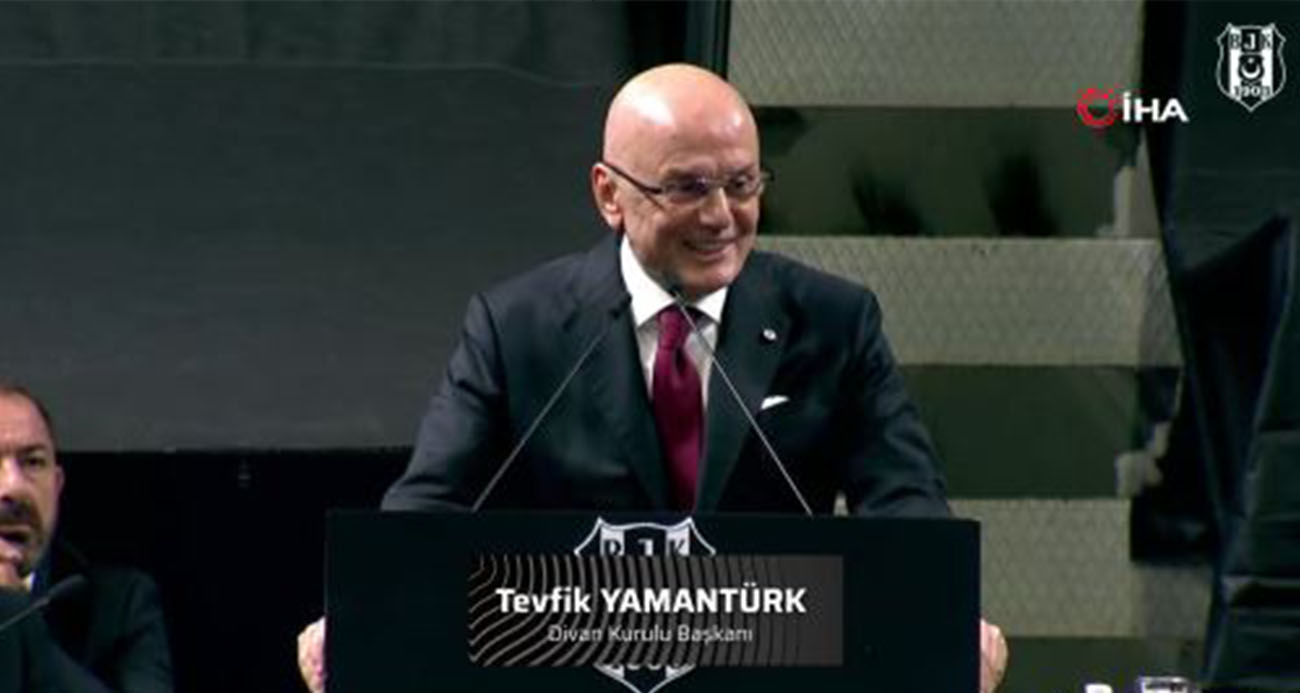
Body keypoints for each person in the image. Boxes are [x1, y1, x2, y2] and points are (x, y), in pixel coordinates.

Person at [298, 63, 1008, 692]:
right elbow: (430, 506)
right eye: (688, 188)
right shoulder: (517, 327)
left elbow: (905, 504)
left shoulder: (834, 321)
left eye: (742, 183)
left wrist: (944, 614)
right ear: (610, 194)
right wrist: (364, 613)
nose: (721, 216)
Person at [0, 383, 173, 693]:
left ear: (57, 485)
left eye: (32, 462)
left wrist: (18, 619)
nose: (13, 487)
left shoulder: (119, 605)